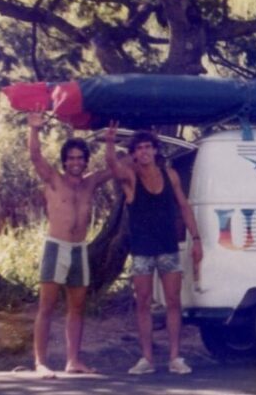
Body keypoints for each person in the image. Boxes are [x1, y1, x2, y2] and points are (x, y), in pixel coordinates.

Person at [105, 123, 203, 375]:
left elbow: (184, 207)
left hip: (168, 247)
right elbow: (113, 166)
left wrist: (196, 239)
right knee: (143, 303)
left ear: (155, 150)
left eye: (148, 146)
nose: (145, 151)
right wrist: (110, 143)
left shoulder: (170, 175)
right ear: (134, 153)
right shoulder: (131, 177)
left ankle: (175, 358)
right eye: (139, 148)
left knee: (173, 302)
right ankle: (146, 358)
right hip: (142, 251)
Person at [27, 110, 114, 378]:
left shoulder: (90, 183)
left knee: (76, 308)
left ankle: (73, 361)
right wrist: (34, 129)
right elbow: (35, 156)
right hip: (57, 247)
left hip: (79, 250)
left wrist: (111, 142)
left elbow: (114, 168)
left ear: (86, 161)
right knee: (47, 307)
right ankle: (40, 363)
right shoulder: (54, 179)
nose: (76, 162)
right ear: (65, 160)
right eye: (71, 158)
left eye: (80, 158)